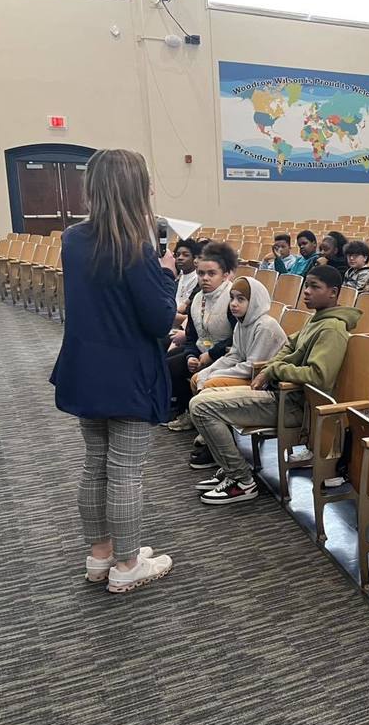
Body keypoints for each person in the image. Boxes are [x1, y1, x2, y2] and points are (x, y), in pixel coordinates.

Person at [50, 148, 175, 594]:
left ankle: (99, 554)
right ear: (136, 189)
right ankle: (126, 565)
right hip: (128, 371)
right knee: (125, 472)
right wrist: (167, 273)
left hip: (85, 365)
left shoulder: (72, 238)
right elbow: (160, 320)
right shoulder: (136, 248)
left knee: (95, 465)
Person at [190, 266, 360, 504]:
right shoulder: (317, 320)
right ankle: (232, 469)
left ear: (333, 292)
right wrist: (272, 368)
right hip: (279, 396)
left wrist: (274, 369)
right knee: (207, 393)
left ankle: (242, 480)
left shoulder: (332, 328)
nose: (306, 291)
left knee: (201, 406)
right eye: (306, 285)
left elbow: (319, 376)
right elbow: (287, 348)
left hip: (293, 406)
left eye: (314, 287)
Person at [188, 276, 288, 469]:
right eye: (232, 298)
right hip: (247, 374)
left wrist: (214, 376)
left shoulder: (265, 326)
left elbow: (253, 366)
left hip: (262, 384)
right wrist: (209, 371)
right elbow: (234, 355)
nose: (233, 304)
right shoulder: (242, 323)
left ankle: (217, 444)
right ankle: (215, 439)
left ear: (255, 301)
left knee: (210, 385)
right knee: (197, 378)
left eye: (241, 299)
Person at [167, 242, 238, 431]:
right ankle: (186, 410)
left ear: (224, 275)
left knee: (180, 366)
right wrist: (191, 355)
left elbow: (238, 339)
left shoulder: (233, 299)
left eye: (211, 274)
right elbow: (191, 335)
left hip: (227, 355)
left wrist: (211, 355)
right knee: (171, 364)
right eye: (201, 273)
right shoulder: (198, 298)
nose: (205, 278)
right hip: (201, 349)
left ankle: (198, 415)